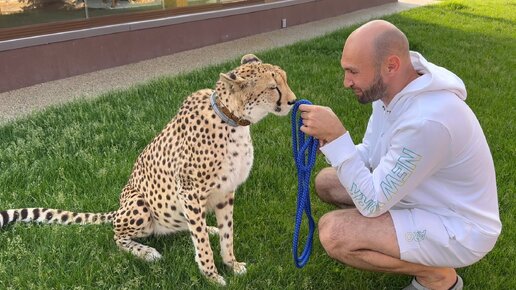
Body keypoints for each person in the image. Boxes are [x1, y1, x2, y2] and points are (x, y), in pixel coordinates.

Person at [299, 20, 501, 290]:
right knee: (327, 181)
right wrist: (328, 142)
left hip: (459, 229)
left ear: (391, 66)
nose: (346, 82)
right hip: (423, 198)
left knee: (334, 233)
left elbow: (371, 203)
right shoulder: (391, 93)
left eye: (353, 72)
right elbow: (370, 155)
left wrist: (337, 138)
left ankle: (437, 276)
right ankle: (408, 245)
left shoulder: (427, 121)